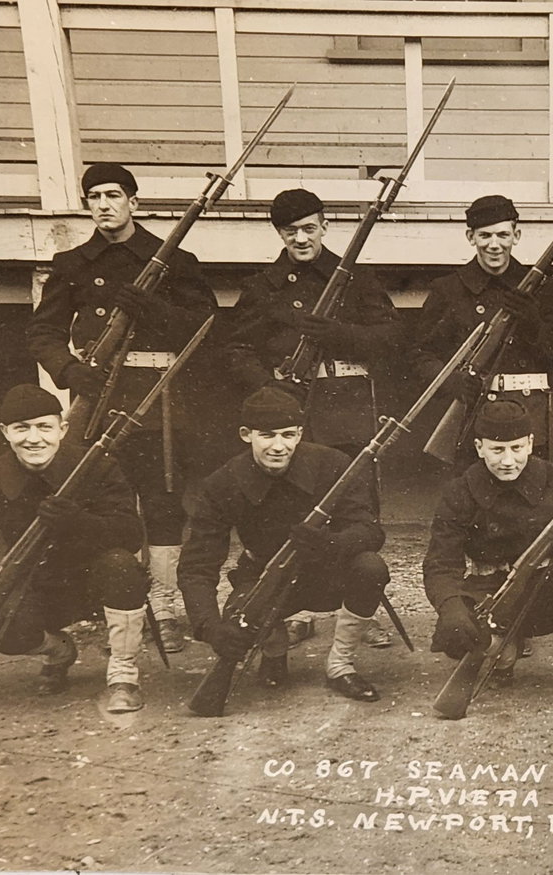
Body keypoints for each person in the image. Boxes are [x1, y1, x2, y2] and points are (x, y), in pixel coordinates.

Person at [25, 162, 217, 653]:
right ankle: (121, 607)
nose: (104, 205)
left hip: (157, 398)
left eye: (113, 194)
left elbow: (206, 329)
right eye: (94, 197)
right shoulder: (72, 263)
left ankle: (165, 609)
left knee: (163, 503)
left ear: (134, 201)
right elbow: (43, 332)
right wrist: (70, 372)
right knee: (104, 505)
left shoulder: (176, 260)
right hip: (97, 396)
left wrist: (154, 309)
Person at [222, 187, 402, 649]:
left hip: (347, 406)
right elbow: (237, 349)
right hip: (292, 410)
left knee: (356, 507)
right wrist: (269, 389)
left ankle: (358, 607)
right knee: (296, 508)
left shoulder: (356, 278)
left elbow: (392, 338)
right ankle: (297, 607)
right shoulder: (264, 287)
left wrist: (340, 333)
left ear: (324, 226)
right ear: (279, 233)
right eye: (290, 231)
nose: (300, 239)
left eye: (308, 228)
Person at [0, 385, 149, 713]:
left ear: (62, 429)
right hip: (37, 586)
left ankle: (123, 676)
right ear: (5, 432)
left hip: (97, 581)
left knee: (122, 565)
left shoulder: (97, 465)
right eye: (22, 428)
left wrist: (79, 522)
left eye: (45, 427)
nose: (34, 439)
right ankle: (59, 651)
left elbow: (131, 534)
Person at [178, 387, 390, 703]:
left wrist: (332, 543)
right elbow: (197, 566)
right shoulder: (223, 483)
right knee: (236, 622)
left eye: (288, 435)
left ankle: (340, 665)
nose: (279, 447)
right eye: (267, 436)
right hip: (264, 577)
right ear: (246, 434)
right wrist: (210, 627)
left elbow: (370, 531)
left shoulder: (333, 464)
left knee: (370, 567)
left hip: (326, 573)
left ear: (300, 433)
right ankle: (273, 649)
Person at [423, 400, 553, 721]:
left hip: (547, 595)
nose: (508, 460)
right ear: (479, 448)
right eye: (497, 450)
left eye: (516, 448)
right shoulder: (459, 492)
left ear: (530, 443)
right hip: (492, 594)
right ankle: (503, 649)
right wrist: (451, 606)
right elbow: (440, 563)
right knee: (457, 635)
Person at [416, 194, 553, 459]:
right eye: (485, 236)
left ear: (516, 235)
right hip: (474, 414)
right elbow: (421, 355)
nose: (494, 245)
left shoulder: (542, 288)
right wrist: (451, 382)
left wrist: (533, 325)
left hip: (530, 415)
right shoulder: (448, 290)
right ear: (471, 237)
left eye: (503, 235)